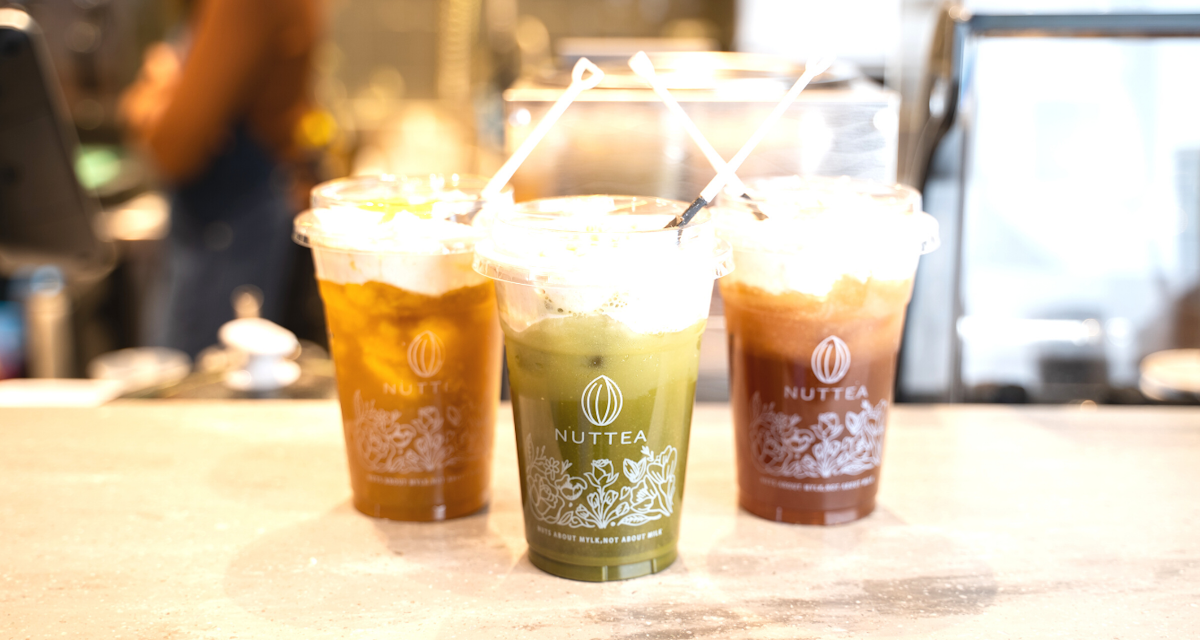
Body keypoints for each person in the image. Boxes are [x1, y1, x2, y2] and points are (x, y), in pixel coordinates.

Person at [120, 0, 321, 358]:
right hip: (237, 220)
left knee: (198, 379)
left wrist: (157, 90)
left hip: (224, 231)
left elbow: (174, 148)